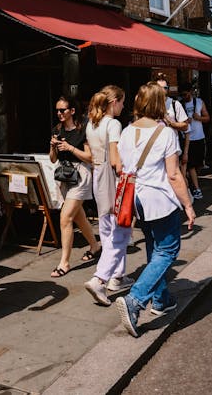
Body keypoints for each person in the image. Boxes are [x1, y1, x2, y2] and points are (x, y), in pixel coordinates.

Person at [115, 82, 195, 337]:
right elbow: (173, 175)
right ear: (161, 103)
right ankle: (135, 300)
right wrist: (189, 205)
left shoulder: (127, 131)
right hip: (159, 199)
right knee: (169, 249)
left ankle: (160, 300)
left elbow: (121, 166)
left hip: (136, 198)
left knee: (153, 245)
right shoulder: (166, 133)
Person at [84, 85, 134, 306]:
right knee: (121, 229)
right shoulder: (113, 124)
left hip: (97, 176)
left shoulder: (91, 124)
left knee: (106, 229)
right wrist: (126, 172)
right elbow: (115, 157)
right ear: (114, 102)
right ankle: (101, 279)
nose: (124, 106)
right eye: (122, 102)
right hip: (110, 178)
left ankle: (118, 275)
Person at [49, 95, 100, 278]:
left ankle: (64, 262)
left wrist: (70, 148)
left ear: (72, 111)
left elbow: (91, 158)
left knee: (65, 218)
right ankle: (95, 246)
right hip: (65, 177)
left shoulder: (83, 129)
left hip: (81, 175)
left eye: (62, 110)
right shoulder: (57, 129)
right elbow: (53, 159)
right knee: (79, 218)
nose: (59, 113)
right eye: (57, 110)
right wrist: (53, 146)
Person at [179, 83, 210, 199]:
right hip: (187, 138)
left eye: (186, 94)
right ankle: (196, 188)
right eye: (182, 95)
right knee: (190, 164)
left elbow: (207, 118)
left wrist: (199, 118)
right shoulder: (180, 105)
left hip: (199, 137)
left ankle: (191, 179)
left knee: (199, 164)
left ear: (190, 92)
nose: (184, 97)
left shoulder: (199, 102)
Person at [156, 74, 190, 173]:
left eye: (165, 88)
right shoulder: (151, 104)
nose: (162, 90)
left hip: (172, 147)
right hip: (155, 147)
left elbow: (185, 125)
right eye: (159, 87)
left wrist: (171, 124)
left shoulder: (175, 104)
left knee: (173, 174)